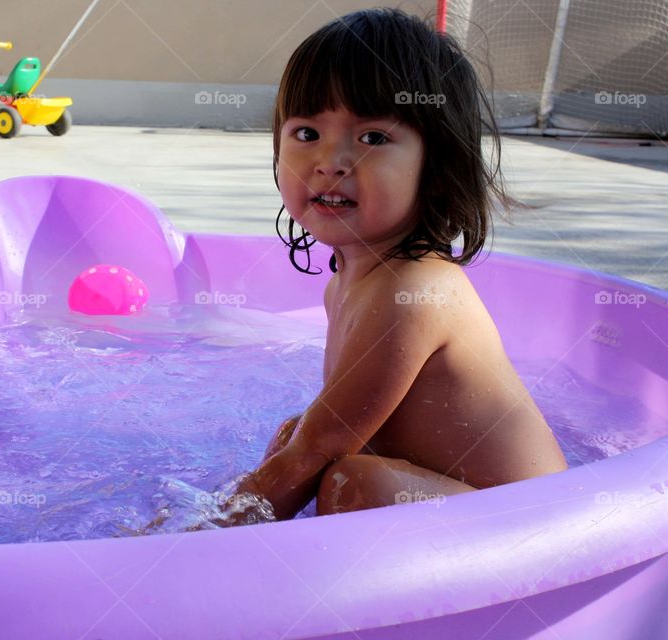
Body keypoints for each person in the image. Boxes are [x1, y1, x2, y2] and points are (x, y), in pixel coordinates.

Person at [222, 8, 568, 523]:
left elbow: (323, 452)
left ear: (436, 169)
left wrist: (187, 543)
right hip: (458, 510)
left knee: (352, 481)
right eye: (306, 133)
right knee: (297, 432)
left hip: (529, 531)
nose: (331, 161)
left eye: (373, 139)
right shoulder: (345, 283)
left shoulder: (417, 291)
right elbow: (320, 438)